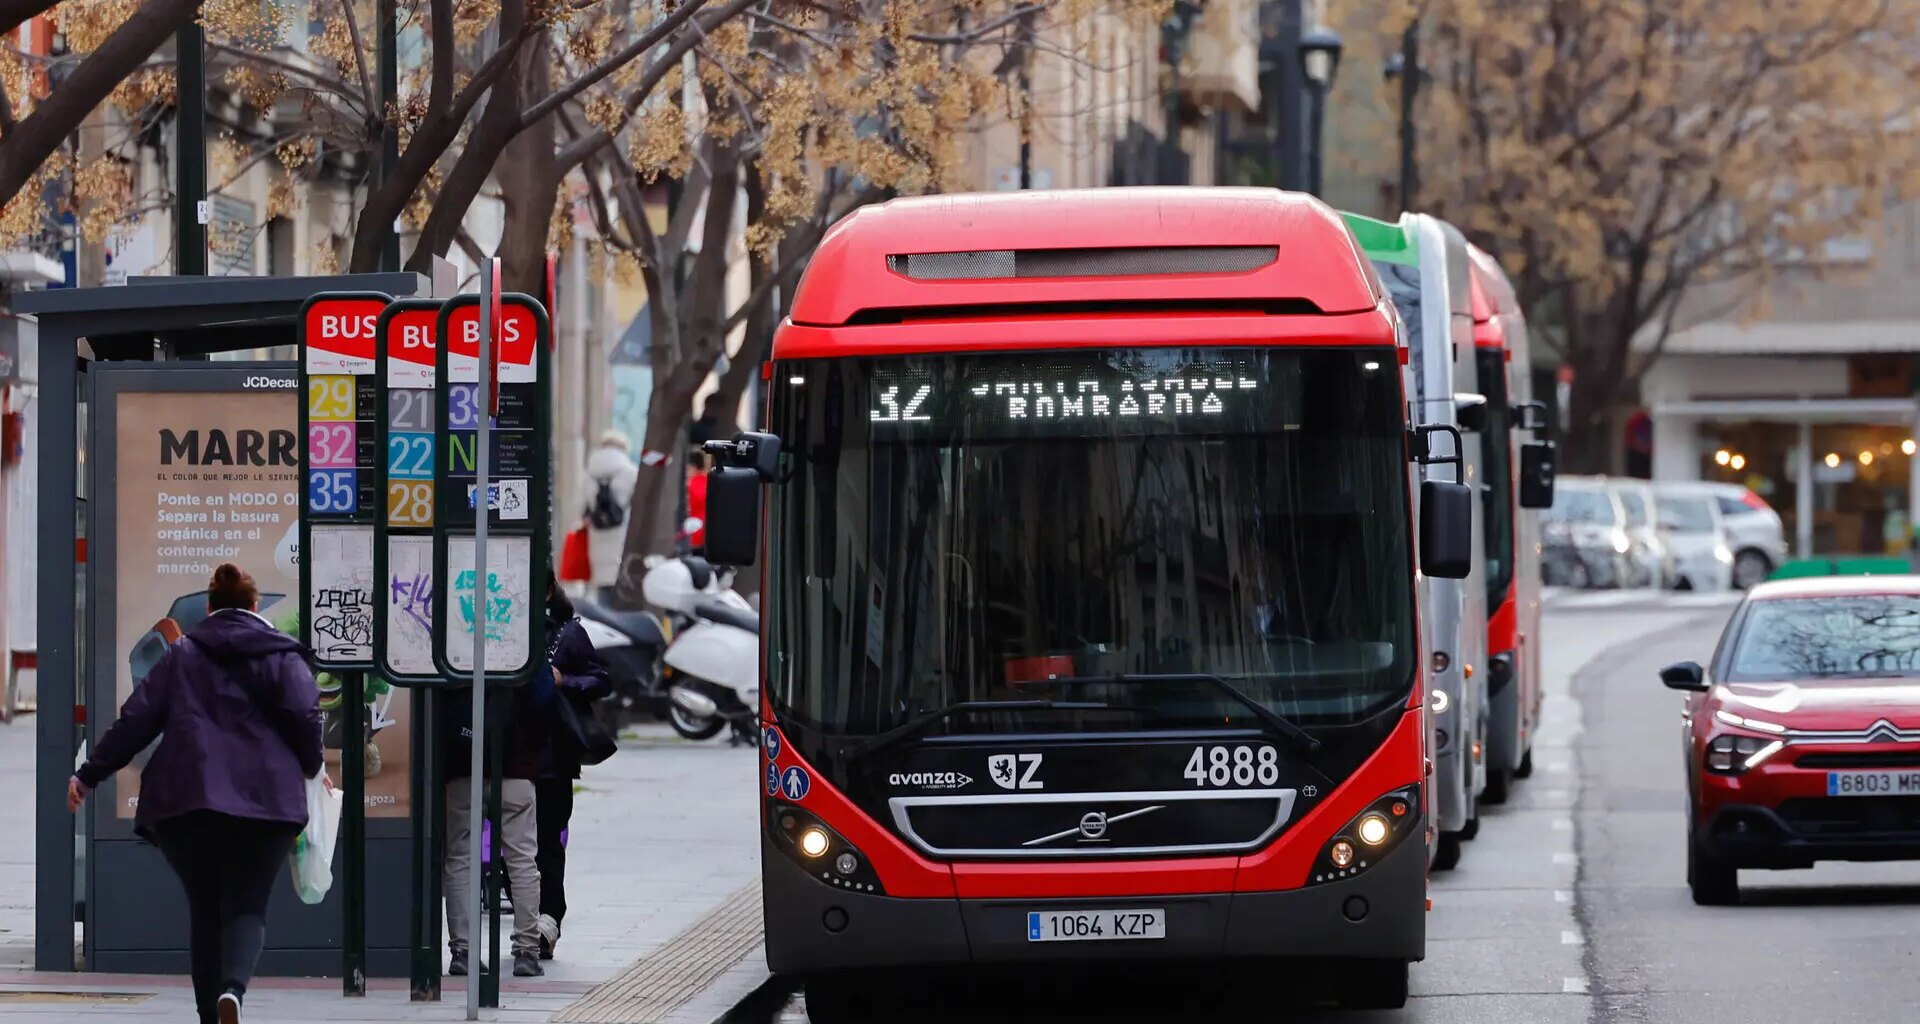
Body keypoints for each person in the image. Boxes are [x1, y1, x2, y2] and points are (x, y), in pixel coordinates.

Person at [69, 563, 324, 1024]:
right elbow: (306, 717)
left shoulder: (181, 655)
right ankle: (233, 992)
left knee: (205, 910)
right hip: (265, 804)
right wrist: (311, 766)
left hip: (188, 803)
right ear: (254, 606)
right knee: (247, 905)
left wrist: (88, 775)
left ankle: (210, 1015)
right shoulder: (282, 656)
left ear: (209, 608)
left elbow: (135, 720)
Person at [441, 650, 550, 977]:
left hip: (462, 763)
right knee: (522, 860)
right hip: (515, 765)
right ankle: (526, 951)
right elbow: (545, 698)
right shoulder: (521, 638)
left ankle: (462, 950)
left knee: (460, 856)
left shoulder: (453, 639)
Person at [532, 571, 613, 959]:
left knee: (548, 842)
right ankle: (528, 920)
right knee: (509, 848)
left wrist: (566, 681)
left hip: (553, 760)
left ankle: (548, 921)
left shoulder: (568, 633)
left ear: (548, 591)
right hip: (509, 758)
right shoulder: (499, 634)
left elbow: (601, 679)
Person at [580, 429, 638, 599]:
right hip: (623, 535)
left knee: (602, 585)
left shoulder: (589, 474)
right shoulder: (630, 472)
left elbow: (582, 507)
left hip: (597, 536)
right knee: (621, 584)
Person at [684, 447, 711, 554]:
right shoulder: (709, 481)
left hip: (695, 533)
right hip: (707, 533)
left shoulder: (692, 484)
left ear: (692, 466)